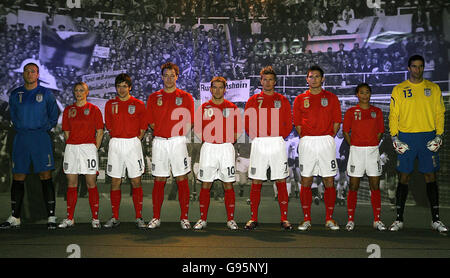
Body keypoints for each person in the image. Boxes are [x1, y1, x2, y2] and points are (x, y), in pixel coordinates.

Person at [388, 55, 447, 233]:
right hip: (406, 138)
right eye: (414, 66)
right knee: (403, 177)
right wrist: (394, 137)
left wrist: (439, 135)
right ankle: (399, 219)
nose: (417, 70)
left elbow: (439, 113)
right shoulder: (399, 89)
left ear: (423, 68)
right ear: (408, 68)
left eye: (420, 66)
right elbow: (393, 115)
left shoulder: (433, 88)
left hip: (427, 137)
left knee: (430, 176)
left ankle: (436, 220)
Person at [0, 62, 59, 229]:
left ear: (38, 75)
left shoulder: (46, 94)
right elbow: (12, 116)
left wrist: (43, 129)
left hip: (40, 138)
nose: (29, 73)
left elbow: (53, 116)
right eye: (27, 71)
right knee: (18, 177)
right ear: (23, 74)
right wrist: (21, 128)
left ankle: (51, 217)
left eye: (33, 71)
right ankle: (15, 217)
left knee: (45, 176)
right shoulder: (15, 94)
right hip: (22, 138)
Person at [244, 66, 293, 230]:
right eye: (265, 79)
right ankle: (253, 218)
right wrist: (257, 137)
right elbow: (247, 123)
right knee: (256, 180)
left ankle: (284, 218)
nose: (268, 82)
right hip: (259, 142)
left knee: (281, 179)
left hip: (277, 142)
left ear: (275, 81)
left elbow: (288, 123)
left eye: (271, 79)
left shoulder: (283, 100)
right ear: (261, 81)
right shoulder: (253, 100)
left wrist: (279, 136)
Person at [146, 62, 195, 230]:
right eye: (165, 75)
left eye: (171, 76)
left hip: (177, 142)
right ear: (161, 77)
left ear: (177, 77)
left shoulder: (186, 97)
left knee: (181, 178)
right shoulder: (153, 97)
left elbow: (189, 121)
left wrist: (178, 134)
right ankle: (156, 217)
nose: (168, 79)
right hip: (160, 142)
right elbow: (151, 123)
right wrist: (163, 131)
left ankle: (184, 218)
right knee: (159, 179)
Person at [293, 65, 341, 231]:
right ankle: (306, 218)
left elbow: (336, 122)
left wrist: (327, 137)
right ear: (307, 79)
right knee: (306, 180)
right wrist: (307, 136)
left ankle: (329, 218)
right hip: (307, 142)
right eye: (311, 76)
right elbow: (298, 124)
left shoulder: (332, 98)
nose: (313, 79)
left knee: (329, 180)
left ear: (323, 79)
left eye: (317, 76)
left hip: (326, 141)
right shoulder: (300, 99)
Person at [192, 76, 241, 230]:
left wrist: (226, 139)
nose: (218, 90)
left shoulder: (232, 107)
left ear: (225, 89)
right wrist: (211, 139)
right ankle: (202, 219)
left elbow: (238, 130)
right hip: (209, 148)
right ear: (210, 89)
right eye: (215, 87)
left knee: (228, 184)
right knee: (206, 184)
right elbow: (198, 130)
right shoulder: (204, 107)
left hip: (226, 148)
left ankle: (231, 219)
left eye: (221, 87)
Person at [103, 73, 147, 229]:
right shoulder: (110, 104)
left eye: (124, 86)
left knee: (136, 181)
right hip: (116, 144)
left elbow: (143, 128)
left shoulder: (138, 104)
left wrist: (134, 140)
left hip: (132, 144)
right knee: (115, 181)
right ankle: (115, 217)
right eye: (119, 86)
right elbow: (108, 125)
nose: (121, 89)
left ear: (130, 87)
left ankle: (139, 217)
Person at [58, 82, 104, 229]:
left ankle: (95, 218)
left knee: (91, 182)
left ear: (87, 92)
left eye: (81, 90)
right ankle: (70, 218)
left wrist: (93, 148)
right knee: (71, 183)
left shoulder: (94, 109)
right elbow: (66, 131)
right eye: (76, 90)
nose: (78, 93)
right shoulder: (68, 110)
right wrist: (72, 144)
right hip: (72, 148)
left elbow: (100, 131)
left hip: (88, 148)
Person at [342, 83, 386, 231]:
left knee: (375, 185)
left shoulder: (377, 111)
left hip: (373, 151)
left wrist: (372, 143)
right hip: (356, 151)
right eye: (362, 92)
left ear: (370, 94)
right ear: (357, 95)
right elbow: (346, 132)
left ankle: (377, 220)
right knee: (354, 185)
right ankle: (350, 220)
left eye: (367, 92)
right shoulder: (351, 111)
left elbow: (380, 131)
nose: (365, 95)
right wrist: (353, 145)